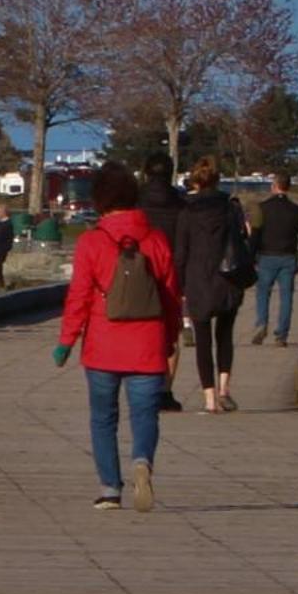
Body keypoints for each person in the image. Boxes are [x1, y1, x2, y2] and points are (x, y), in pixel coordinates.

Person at [55, 161, 181, 512]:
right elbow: (171, 296)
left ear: (99, 201)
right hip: (147, 343)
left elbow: (79, 297)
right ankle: (142, 460)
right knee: (145, 413)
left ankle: (110, 488)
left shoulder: (92, 243)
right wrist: (169, 338)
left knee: (103, 417)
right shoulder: (156, 241)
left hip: (103, 346)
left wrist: (66, 342)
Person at [172, 157, 247, 414]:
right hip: (228, 278)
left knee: (202, 341)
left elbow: (180, 254)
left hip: (198, 280)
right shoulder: (229, 208)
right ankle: (225, 386)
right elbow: (242, 240)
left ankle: (209, 398)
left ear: (195, 181)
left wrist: (179, 286)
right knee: (225, 335)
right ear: (217, 180)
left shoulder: (187, 212)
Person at [137, 152, 188, 412]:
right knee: (171, 334)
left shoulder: (136, 202)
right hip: (171, 275)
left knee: (136, 331)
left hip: (136, 274)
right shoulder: (181, 205)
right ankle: (165, 390)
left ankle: (140, 386)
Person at [249, 172, 298, 347]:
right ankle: (281, 335)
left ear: (274, 186)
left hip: (266, 256)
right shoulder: (297, 211)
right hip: (288, 258)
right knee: (286, 297)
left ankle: (261, 323)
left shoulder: (262, 208)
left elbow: (255, 236)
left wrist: (251, 258)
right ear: (288, 187)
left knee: (262, 293)